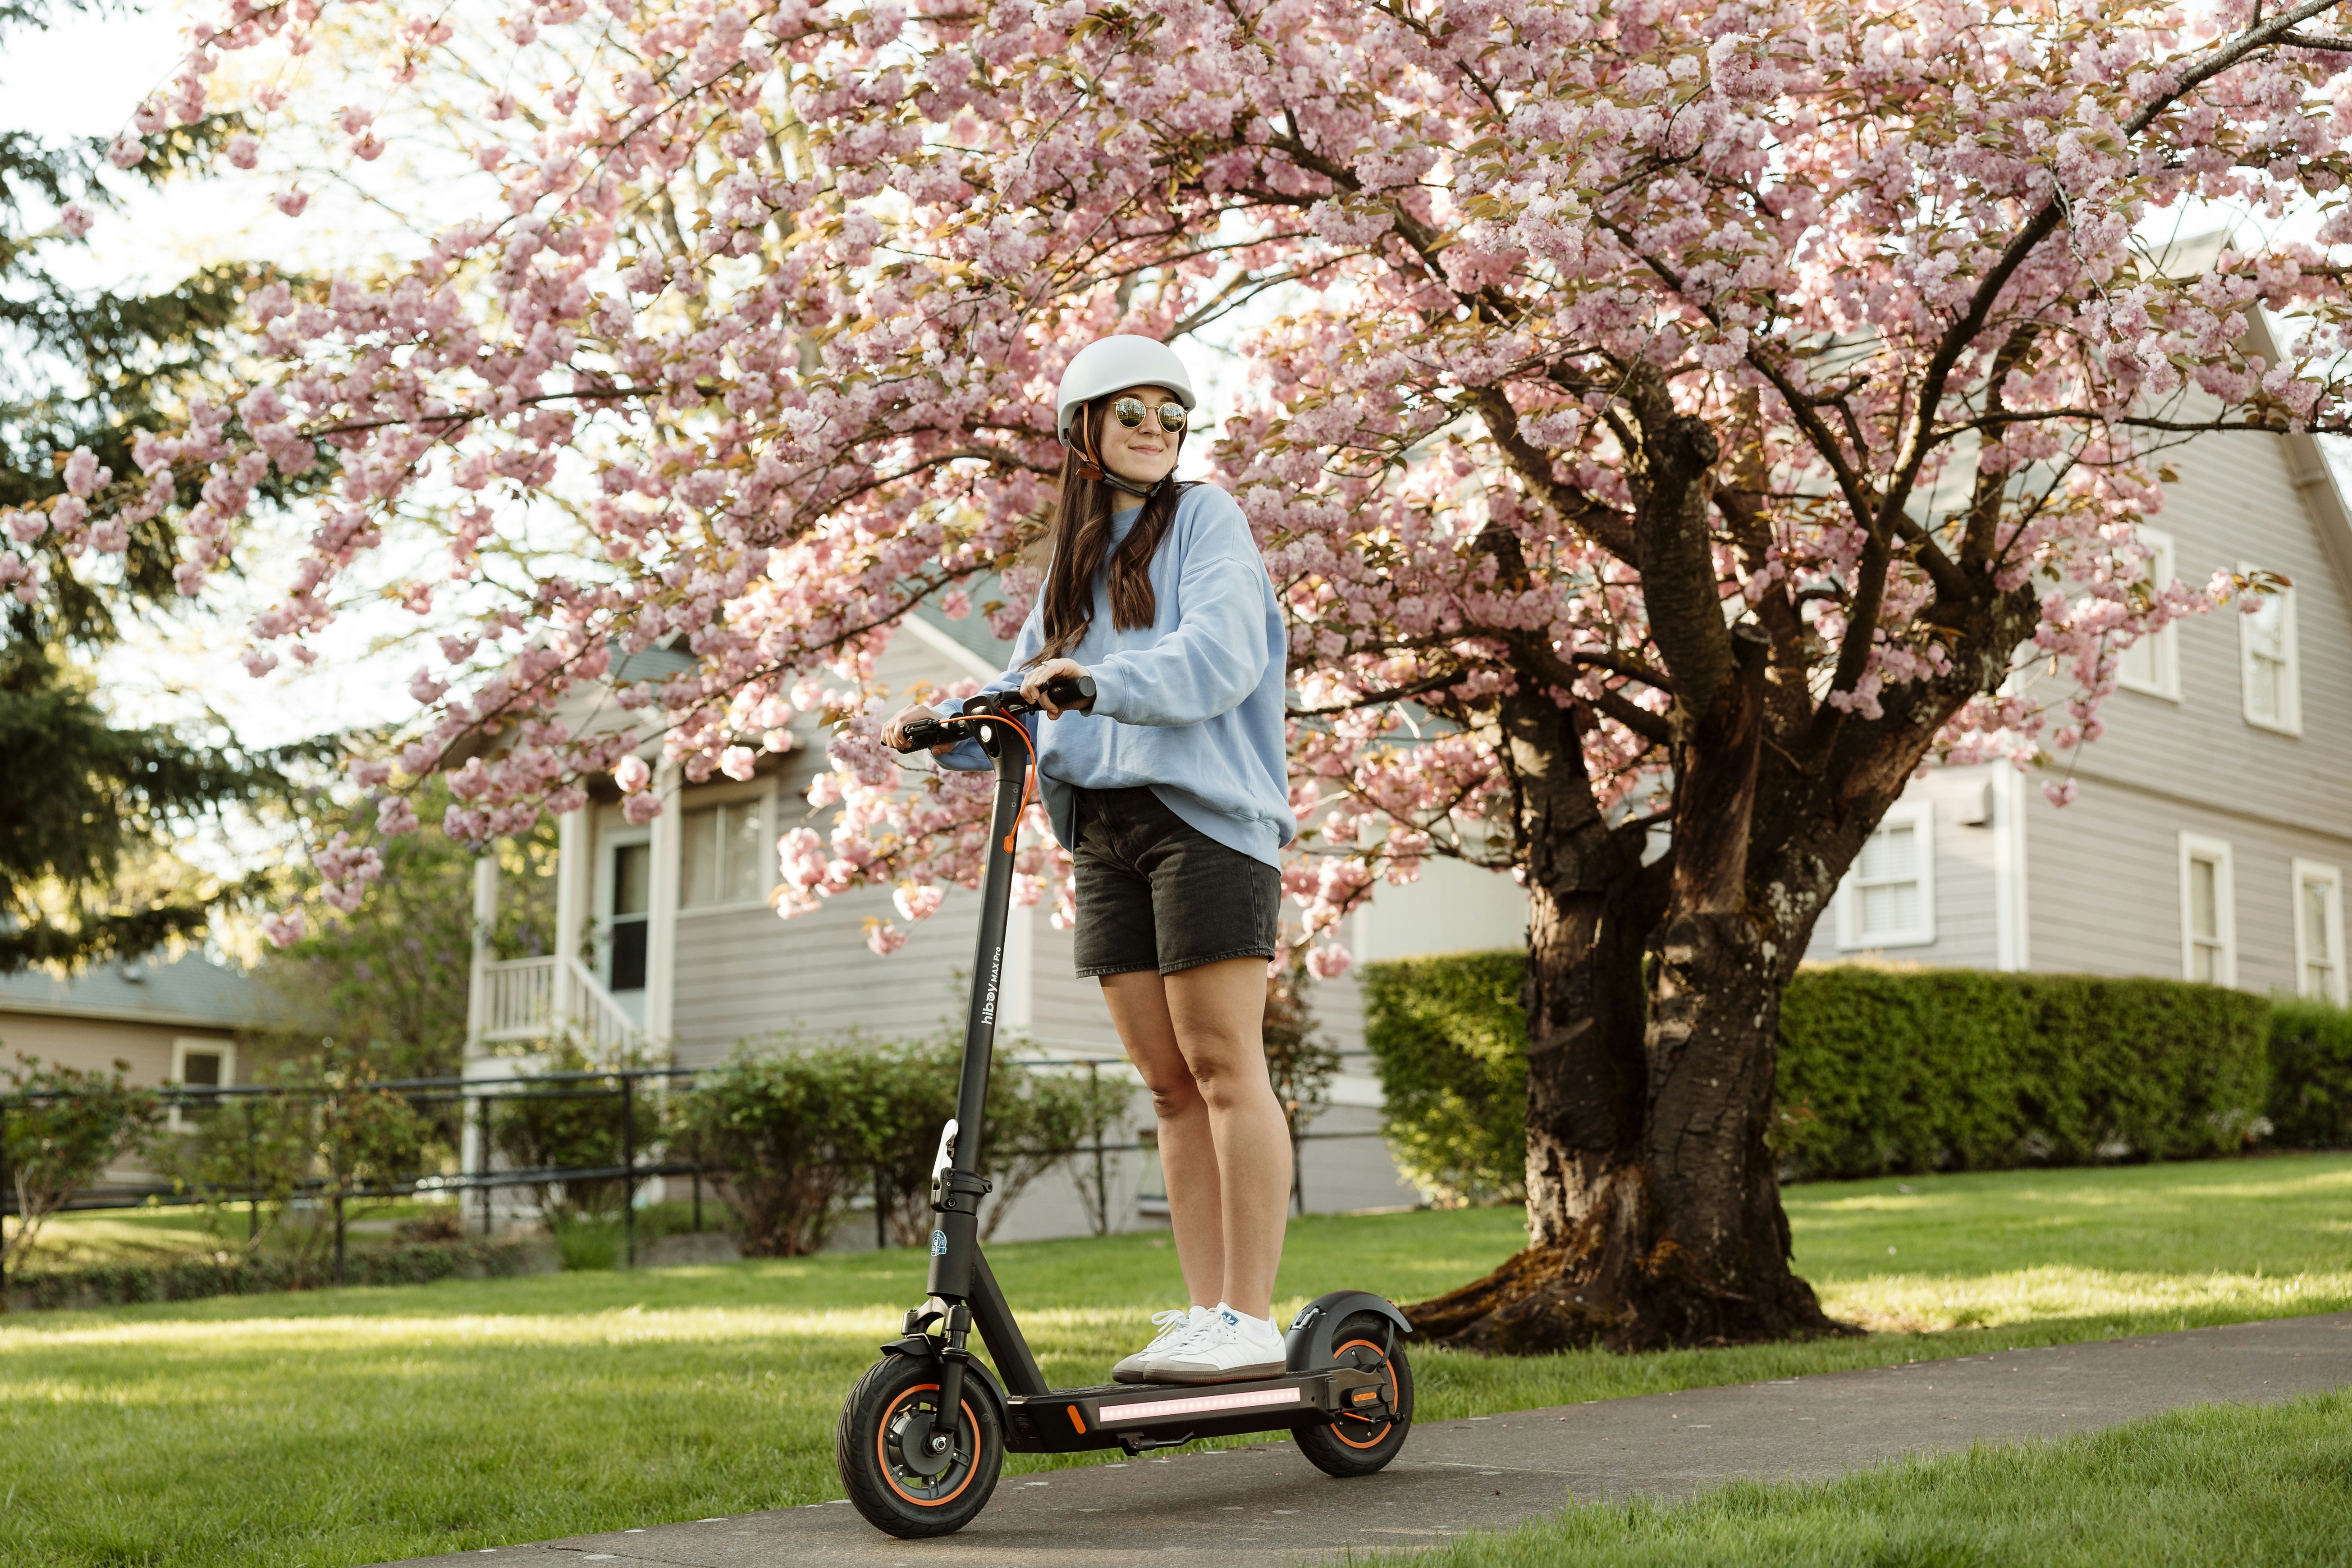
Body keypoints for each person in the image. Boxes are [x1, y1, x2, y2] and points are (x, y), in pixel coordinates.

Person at [884, 334, 1295, 1386]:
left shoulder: (1206, 521)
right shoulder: (1072, 568)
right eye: (1132, 413)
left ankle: (1249, 1316)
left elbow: (1217, 655)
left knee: (1220, 1063)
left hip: (1203, 819)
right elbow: (1024, 683)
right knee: (1165, 1085)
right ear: (1083, 432)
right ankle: (1206, 1313)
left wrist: (1100, 686)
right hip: (1105, 832)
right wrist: (942, 720)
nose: (1156, 430)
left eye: (1171, 413)